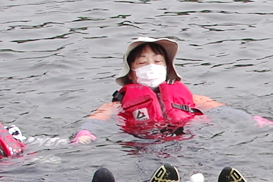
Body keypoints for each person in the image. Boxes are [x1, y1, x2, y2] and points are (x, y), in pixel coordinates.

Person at [83, 35, 224, 139]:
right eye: (142, 63)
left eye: (157, 61)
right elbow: (96, 119)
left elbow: (223, 110)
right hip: (145, 142)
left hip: (189, 137)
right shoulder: (118, 104)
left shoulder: (191, 98)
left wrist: (245, 118)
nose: (151, 67)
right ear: (130, 74)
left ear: (166, 68)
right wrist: (85, 133)